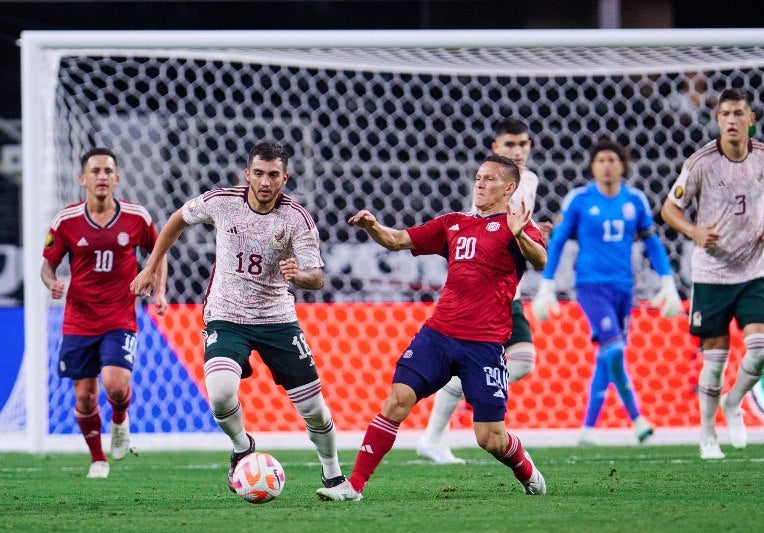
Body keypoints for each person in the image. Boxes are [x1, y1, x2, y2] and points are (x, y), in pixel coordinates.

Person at [316, 154, 548, 502]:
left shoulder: (517, 226)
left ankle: (525, 469)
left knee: (490, 438)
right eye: (478, 177)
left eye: (489, 179)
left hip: (484, 344)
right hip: (439, 334)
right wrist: (372, 227)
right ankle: (354, 486)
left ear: (509, 187)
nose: (480, 184)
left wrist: (519, 235)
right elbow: (396, 240)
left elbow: (540, 260)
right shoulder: (452, 224)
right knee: (398, 399)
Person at [130, 141, 348, 494]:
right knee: (220, 393)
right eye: (258, 173)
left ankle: (333, 473)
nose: (265, 181)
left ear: (285, 178)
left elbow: (316, 277)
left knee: (314, 409)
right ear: (247, 174)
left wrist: (298, 274)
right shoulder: (221, 202)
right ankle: (242, 446)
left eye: (273, 175)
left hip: (277, 319)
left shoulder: (297, 219)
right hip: (226, 314)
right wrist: (152, 268)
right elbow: (176, 221)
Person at [416, 118, 553, 464]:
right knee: (521, 360)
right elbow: (481, 223)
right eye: (509, 145)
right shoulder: (491, 181)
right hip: (481, 291)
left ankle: (439, 429)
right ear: (495, 149)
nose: (517, 151)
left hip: (509, 290)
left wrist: (536, 231)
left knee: (523, 361)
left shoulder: (530, 181)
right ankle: (435, 435)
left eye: (523, 144)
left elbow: (518, 228)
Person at [661, 88, 764, 460]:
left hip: (752, 269)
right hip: (712, 273)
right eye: (725, 114)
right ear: (717, 120)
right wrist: (695, 232)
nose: (731, 120)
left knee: (761, 350)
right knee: (714, 363)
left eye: (738, 113)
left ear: (751, 119)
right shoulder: (701, 163)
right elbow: (670, 209)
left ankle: (734, 403)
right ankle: (707, 434)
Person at [533, 138, 681, 447]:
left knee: (607, 355)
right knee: (613, 349)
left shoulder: (635, 200)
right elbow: (559, 240)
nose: (607, 165)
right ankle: (637, 418)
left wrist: (667, 280)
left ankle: (587, 429)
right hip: (590, 287)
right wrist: (546, 284)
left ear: (623, 165)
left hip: (625, 288)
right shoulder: (580, 199)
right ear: (592, 166)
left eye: (612, 159)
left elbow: (651, 242)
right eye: (601, 160)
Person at [41, 147, 168, 478]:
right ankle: (98, 459)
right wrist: (52, 281)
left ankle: (120, 419)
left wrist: (160, 290)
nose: (101, 176)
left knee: (114, 385)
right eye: (94, 171)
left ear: (117, 178)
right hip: (79, 320)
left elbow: (159, 251)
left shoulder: (136, 217)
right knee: (84, 397)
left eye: (107, 171)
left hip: (119, 317)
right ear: (82, 179)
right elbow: (47, 266)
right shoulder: (65, 221)